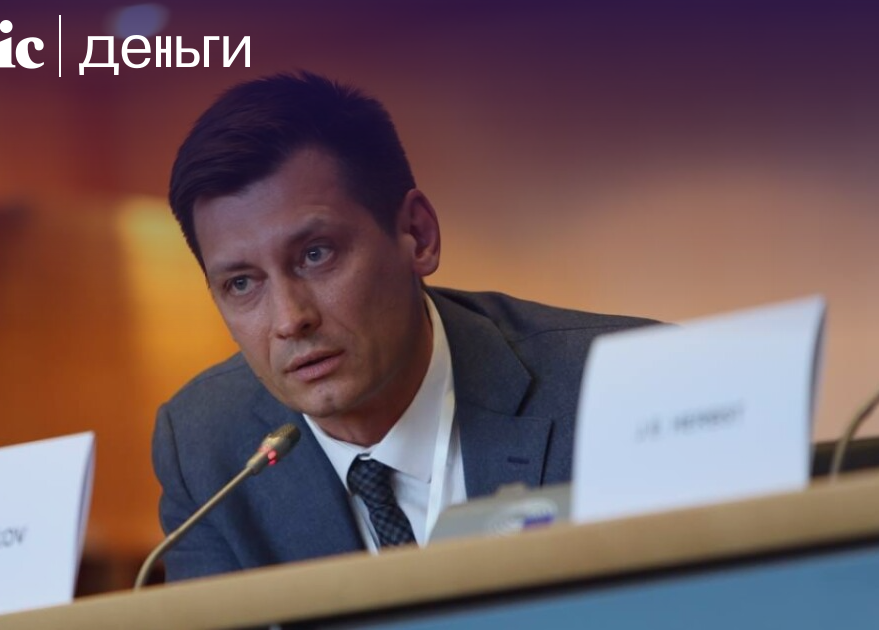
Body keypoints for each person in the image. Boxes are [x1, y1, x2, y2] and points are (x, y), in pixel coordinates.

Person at [152, 71, 655, 582]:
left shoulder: (621, 388)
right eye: (241, 283)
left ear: (418, 234)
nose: (290, 320)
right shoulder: (204, 448)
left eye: (316, 254)